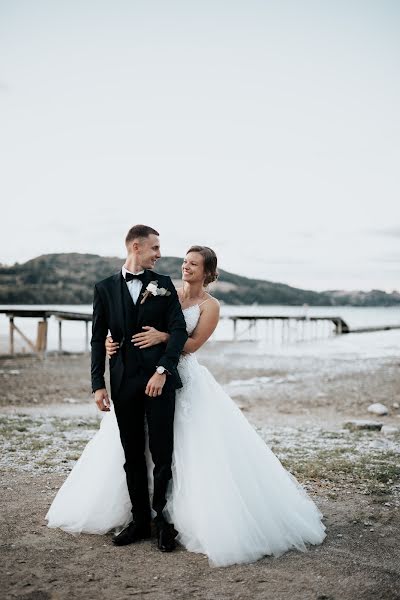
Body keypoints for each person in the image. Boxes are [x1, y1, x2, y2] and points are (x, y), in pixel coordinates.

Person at [46, 244, 327, 567]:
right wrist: (115, 341)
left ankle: (171, 518)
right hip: (136, 378)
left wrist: (163, 340)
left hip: (181, 377)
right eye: (184, 262)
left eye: (193, 264)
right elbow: (132, 323)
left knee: (179, 448)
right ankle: (140, 516)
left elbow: (190, 343)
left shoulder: (210, 306)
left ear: (207, 272)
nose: (185, 267)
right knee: (135, 448)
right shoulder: (164, 288)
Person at [46, 224, 188, 552]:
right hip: (123, 381)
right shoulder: (105, 288)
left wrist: (163, 370)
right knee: (132, 454)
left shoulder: (164, 284)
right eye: (155, 248)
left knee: (163, 452)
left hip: (159, 381)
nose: (160, 253)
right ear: (136, 247)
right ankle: (139, 520)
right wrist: (98, 384)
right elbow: (98, 338)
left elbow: (178, 331)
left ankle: (161, 520)